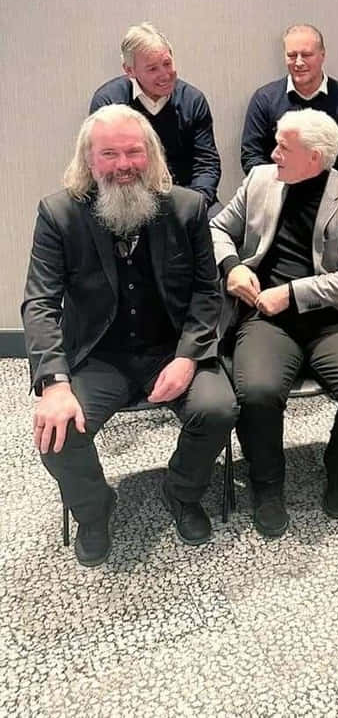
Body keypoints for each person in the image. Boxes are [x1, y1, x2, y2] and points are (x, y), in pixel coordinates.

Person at [22, 105, 237, 567]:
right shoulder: (58, 214)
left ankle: (181, 491)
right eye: (109, 154)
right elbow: (40, 303)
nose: (124, 165)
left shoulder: (188, 208)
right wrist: (54, 383)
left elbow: (207, 292)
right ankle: (95, 510)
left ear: (151, 154)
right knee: (56, 432)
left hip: (172, 349)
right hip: (99, 356)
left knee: (219, 409)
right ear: (89, 159)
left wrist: (188, 357)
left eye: (134, 152)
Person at [211, 109, 338, 536]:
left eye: (283, 148)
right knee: (257, 392)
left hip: (331, 319)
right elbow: (216, 229)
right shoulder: (260, 180)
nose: (273, 153)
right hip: (265, 317)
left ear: (315, 157)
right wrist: (232, 266)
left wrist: (291, 293)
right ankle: (267, 484)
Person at [90, 23, 222, 208]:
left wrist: (194, 207)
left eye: (167, 64)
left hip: (188, 197)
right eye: (153, 69)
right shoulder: (108, 102)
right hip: (131, 202)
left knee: (222, 225)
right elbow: (104, 166)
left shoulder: (192, 100)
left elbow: (207, 163)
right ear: (130, 70)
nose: (165, 75)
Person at [241, 24, 338, 182]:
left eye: (307, 55)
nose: (299, 62)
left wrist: (328, 191)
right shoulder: (264, 99)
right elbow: (251, 157)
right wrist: (280, 187)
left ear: (322, 55)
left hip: (335, 192)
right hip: (279, 188)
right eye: (292, 55)